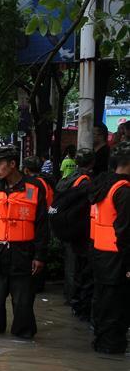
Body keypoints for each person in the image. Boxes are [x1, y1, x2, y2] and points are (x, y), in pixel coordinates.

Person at [0, 145, 48, 339]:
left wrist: (40, 256)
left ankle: (23, 337)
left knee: (23, 303)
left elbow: (42, 225)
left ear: (12, 164)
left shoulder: (35, 188)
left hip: (24, 254)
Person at [88, 141, 130, 354]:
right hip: (117, 257)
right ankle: (110, 348)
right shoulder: (123, 191)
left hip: (99, 253)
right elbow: (125, 231)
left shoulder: (102, 185)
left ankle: (100, 342)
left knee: (103, 301)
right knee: (116, 306)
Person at [55, 148, 95, 320]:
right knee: (77, 267)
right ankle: (75, 302)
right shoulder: (84, 181)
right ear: (92, 163)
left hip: (65, 227)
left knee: (71, 266)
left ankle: (70, 297)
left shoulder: (69, 177)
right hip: (78, 230)